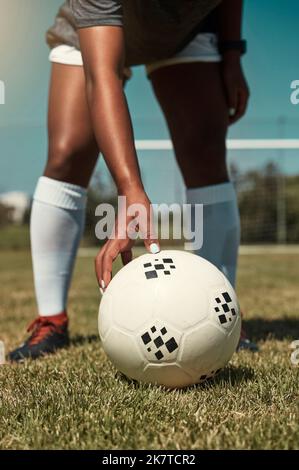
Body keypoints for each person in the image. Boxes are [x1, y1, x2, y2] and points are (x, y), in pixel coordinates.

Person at [9, 0, 257, 362]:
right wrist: (130, 191)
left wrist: (232, 55)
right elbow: (103, 75)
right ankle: (52, 319)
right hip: (91, 32)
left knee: (205, 149)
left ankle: (222, 314)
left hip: (186, 33)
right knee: (67, 153)